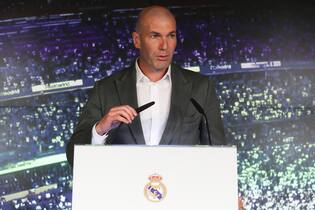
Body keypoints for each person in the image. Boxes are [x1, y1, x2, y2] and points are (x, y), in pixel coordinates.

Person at [66, 5, 226, 166]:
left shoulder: (200, 87)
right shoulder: (106, 89)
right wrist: (100, 129)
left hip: (181, 189)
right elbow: (74, 158)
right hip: (125, 190)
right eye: (155, 36)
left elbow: (218, 152)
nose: (164, 46)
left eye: (171, 35)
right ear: (137, 40)